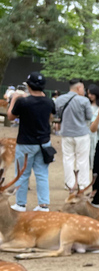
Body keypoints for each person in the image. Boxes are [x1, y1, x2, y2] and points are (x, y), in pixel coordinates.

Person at [7, 72, 56, 212]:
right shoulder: (49, 101)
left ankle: (21, 204)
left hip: (26, 143)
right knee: (42, 174)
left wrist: (14, 99)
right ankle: (43, 205)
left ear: (28, 85)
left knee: (22, 173)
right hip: (44, 142)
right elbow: (51, 116)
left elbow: (11, 116)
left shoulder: (23, 102)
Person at [56, 79, 92, 191]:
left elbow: (56, 113)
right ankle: (83, 184)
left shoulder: (60, 99)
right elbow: (89, 117)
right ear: (79, 88)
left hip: (66, 133)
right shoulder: (84, 101)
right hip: (81, 134)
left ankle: (69, 183)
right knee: (83, 159)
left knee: (68, 158)